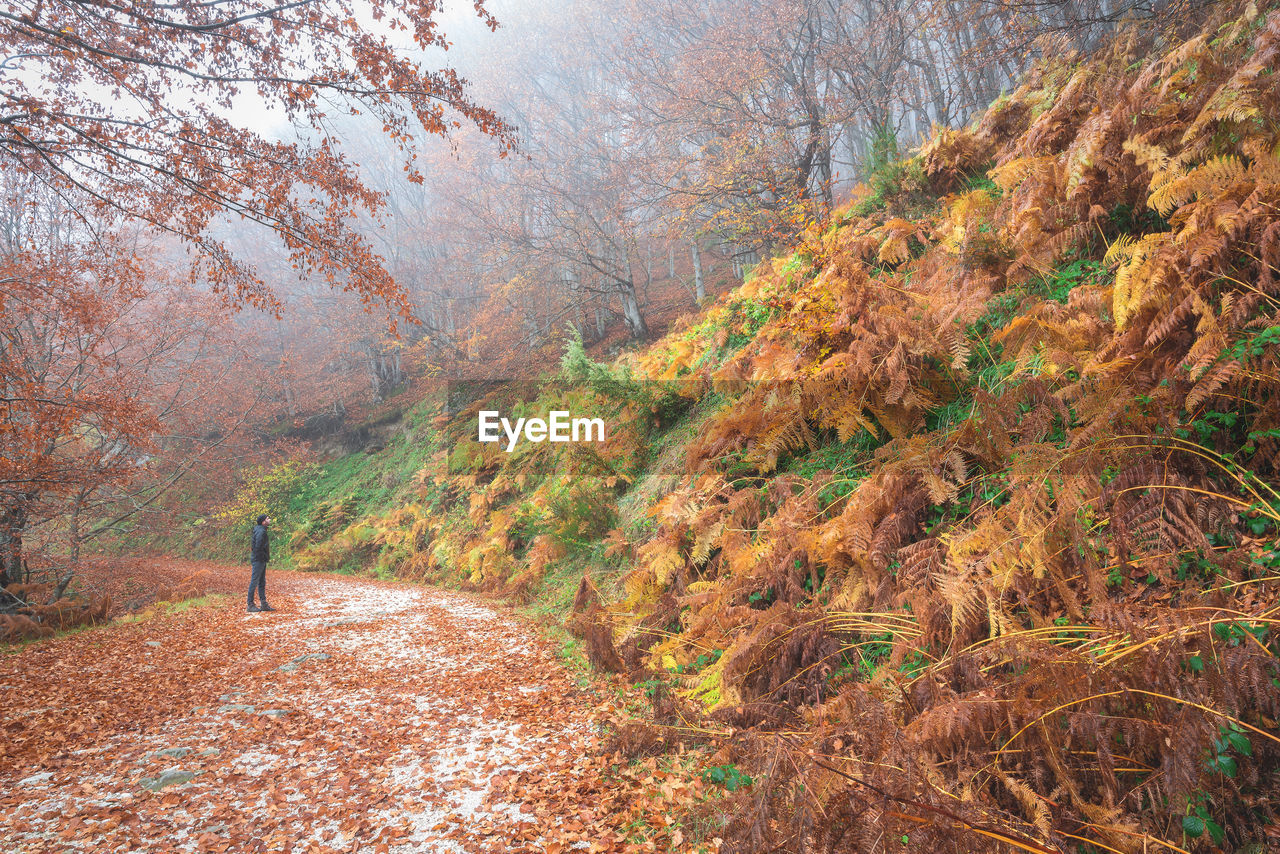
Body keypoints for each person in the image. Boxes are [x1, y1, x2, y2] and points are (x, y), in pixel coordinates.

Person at [248, 514, 275, 613]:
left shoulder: (261, 530)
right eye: (268, 519)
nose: (269, 520)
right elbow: (258, 546)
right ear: (263, 522)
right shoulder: (261, 531)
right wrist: (262, 557)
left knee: (261, 582)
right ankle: (250, 604)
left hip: (260, 559)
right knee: (254, 581)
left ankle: (263, 604)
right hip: (258, 560)